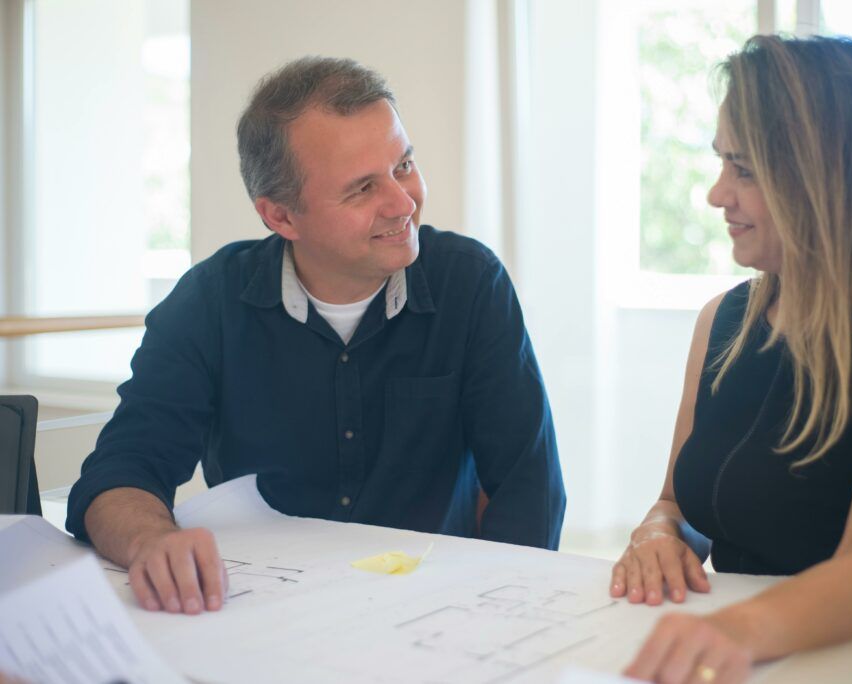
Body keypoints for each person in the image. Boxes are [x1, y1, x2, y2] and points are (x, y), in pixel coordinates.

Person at [66, 57, 565, 616]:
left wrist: (494, 616)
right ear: (281, 217)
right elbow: (120, 473)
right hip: (258, 616)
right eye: (361, 189)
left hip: (434, 614)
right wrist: (150, 540)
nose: (404, 203)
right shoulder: (209, 301)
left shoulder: (470, 283)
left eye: (403, 165)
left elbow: (529, 490)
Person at [610, 35, 852, 683]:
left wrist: (736, 629)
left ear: (828, 176)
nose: (715, 194)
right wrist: (657, 534)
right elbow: (678, 501)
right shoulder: (722, 321)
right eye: (721, 163)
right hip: (749, 659)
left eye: (745, 169)